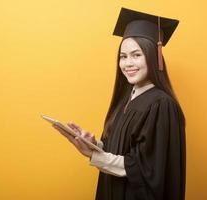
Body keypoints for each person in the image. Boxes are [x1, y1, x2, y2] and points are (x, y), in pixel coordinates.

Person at [52, 7, 186, 200]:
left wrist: (94, 156)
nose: (127, 63)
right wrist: (95, 146)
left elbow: (146, 169)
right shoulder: (127, 99)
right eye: (123, 57)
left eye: (136, 55)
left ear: (153, 56)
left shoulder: (161, 104)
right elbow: (122, 151)